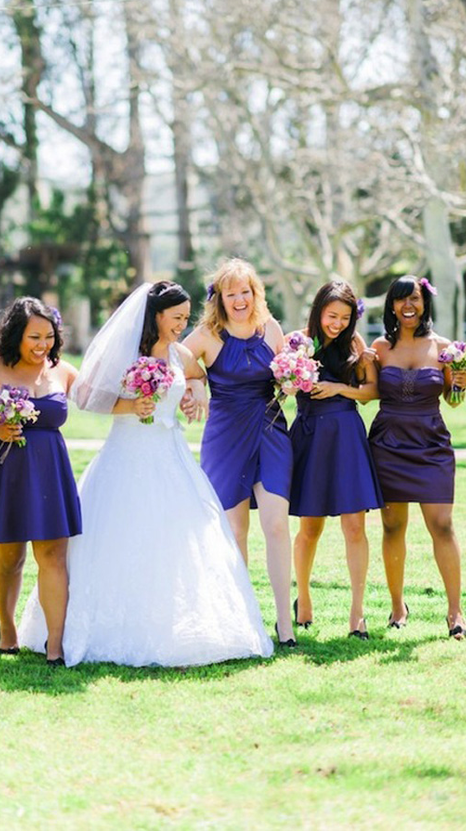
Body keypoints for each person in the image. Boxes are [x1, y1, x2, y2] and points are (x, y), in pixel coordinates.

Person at [18, 281, 273, 667]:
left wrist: (194, 393)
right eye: (176, 318)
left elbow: (197, 375)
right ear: (156, 316)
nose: (182, 326)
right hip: (126, 456)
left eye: (186, 318)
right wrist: (130, 405)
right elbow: (86, 396)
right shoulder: (126, 353)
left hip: (170, 457)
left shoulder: (179, 352)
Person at [0, 298, 81, 665]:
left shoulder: (60, 370)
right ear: (15, 335)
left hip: (50, 470)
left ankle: (55, 645)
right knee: (10, 559)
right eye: (34, 337)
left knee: (54, 556)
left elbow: (96, 396)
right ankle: (7, 629)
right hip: (3, 470)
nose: (43, 345)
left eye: (49, 337)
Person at [184, 259, 296, 647]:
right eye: (230, 293)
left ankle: (285, 623)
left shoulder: (271, 329)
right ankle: (241, 621)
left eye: (245, 291)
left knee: (277, 524)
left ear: (255, 293)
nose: (239, 299)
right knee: (234, 532)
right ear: (219, 298)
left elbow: (288, 372)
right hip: (225, 436)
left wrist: (294, 381)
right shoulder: (207, 335)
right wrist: (197, 382)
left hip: (270, 431)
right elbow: (171, 359)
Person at [368, 275, 466, 639]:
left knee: (442, 525)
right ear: (391, 305)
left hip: (431, 444)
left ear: (424, 303)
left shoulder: (444, 348)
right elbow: (365, 390)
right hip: (388, 445)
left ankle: (455, 612)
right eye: (400, 299)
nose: (407, 305)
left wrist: (459, 386)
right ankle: (397, 606)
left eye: (413, 298)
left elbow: (453, 402)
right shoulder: (379, 348)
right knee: (392, 526)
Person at [289, 281, 383, 639]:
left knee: (354, 527)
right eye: (332, 316)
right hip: (311, 435)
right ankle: (304, 598)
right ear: (318, 311)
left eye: (345, 317)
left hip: (346, 435)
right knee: (310, 528)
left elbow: (371, 392)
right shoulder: (297, 341)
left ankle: (357, 612)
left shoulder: (356, 345)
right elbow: (280, 382)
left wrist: (338, 388)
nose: (338, 324)